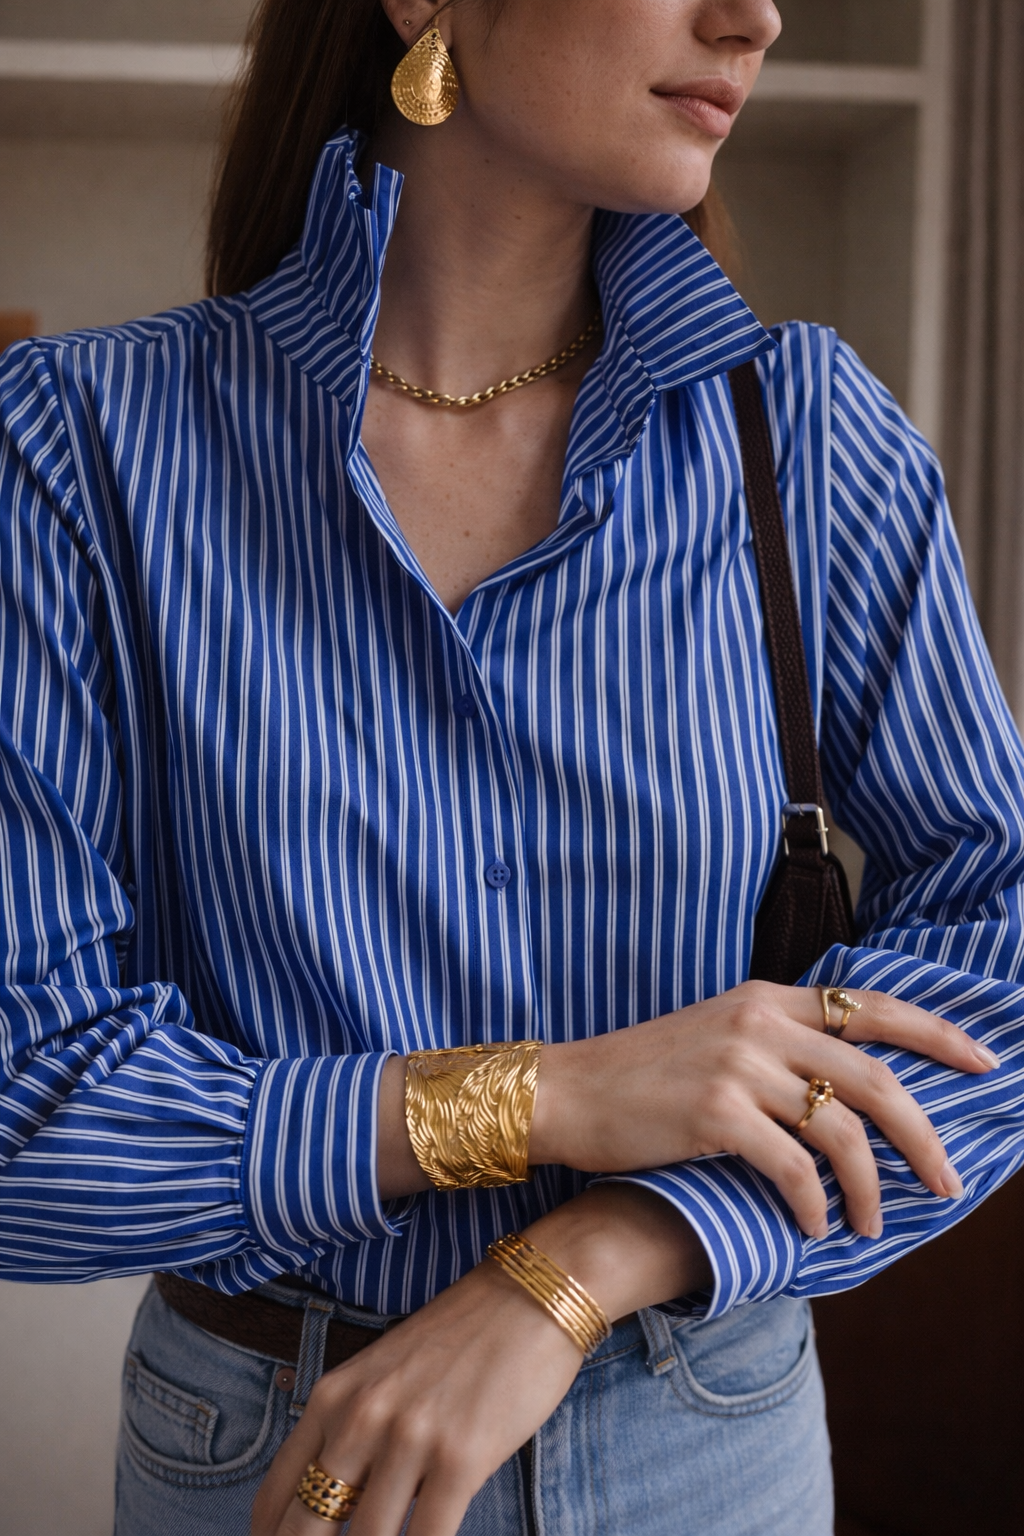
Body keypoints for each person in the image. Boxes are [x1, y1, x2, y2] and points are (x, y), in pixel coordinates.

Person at [2, 0, 1024, 1532]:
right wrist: (543, 1097)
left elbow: (1002, 952)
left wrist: (580, 1264)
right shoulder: (76, 451)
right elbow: (25, 1107)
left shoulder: (809, 439)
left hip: (710, 1445)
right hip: (272, 1457)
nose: (754, 16)